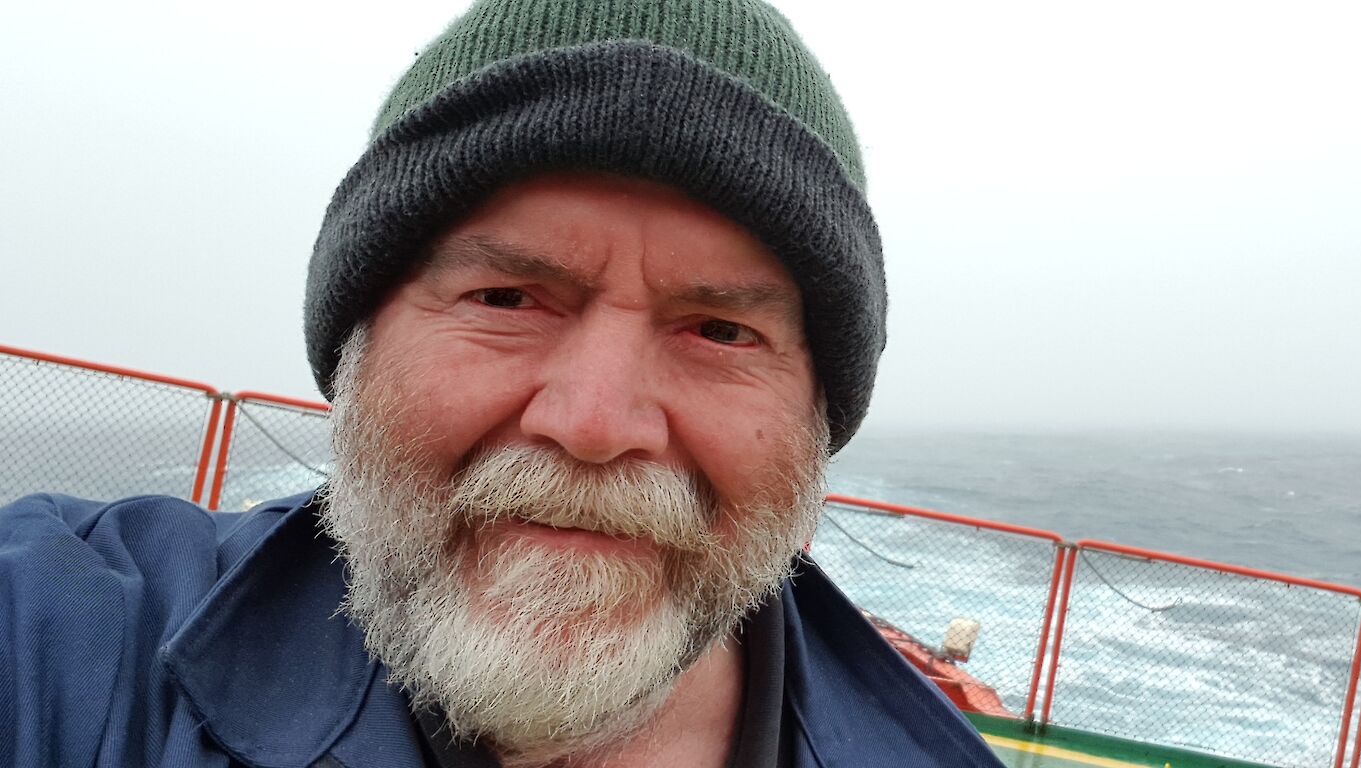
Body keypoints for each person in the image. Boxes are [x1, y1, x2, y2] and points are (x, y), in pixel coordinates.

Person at [0, 1, 1002, 766]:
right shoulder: (66, 638)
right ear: (356, 347)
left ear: (814, 420)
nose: (596, 423)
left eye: (721, 329)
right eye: (507, 298)